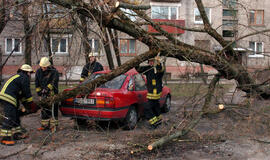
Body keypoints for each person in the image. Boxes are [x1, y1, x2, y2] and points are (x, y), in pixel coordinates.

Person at [0, 64, 39, 146]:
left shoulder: (19, 77)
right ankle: (5, 138)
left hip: (9, 97)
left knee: (15, 115)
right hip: (8, 97)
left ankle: (16, 134)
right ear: (27, 72)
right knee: (10, 117)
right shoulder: (24, 78)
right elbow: (27, 92)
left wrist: (27, 106)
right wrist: (31, 104)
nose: (30, 75)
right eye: (30, 73)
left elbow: (22, 96)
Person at [135, 56, 165, 129]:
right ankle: (158, 121)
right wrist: (137, 62)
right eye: (150, 61)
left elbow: (160, 69)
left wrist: (158, 62)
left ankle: (154, 123)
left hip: (155, 92)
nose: (151, 62)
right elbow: (139, 69)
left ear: (155, 62)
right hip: (151, 92)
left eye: (152, 61)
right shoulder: (148, 68)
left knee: (147, 108)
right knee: (155, 106)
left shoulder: (157, 69)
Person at [35, 57, 59, 132]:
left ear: (48, 66)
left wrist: (47, 89)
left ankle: (53, 126)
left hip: (53, 94)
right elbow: (37, 83)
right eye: (42, 67)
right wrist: (39, 92)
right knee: (44, 110)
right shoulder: (38, 71)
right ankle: (44, 125)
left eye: (44, 67)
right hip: (43, 94)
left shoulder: (54, 72)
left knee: (53, 110)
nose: (43, 68)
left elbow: (54, 82)